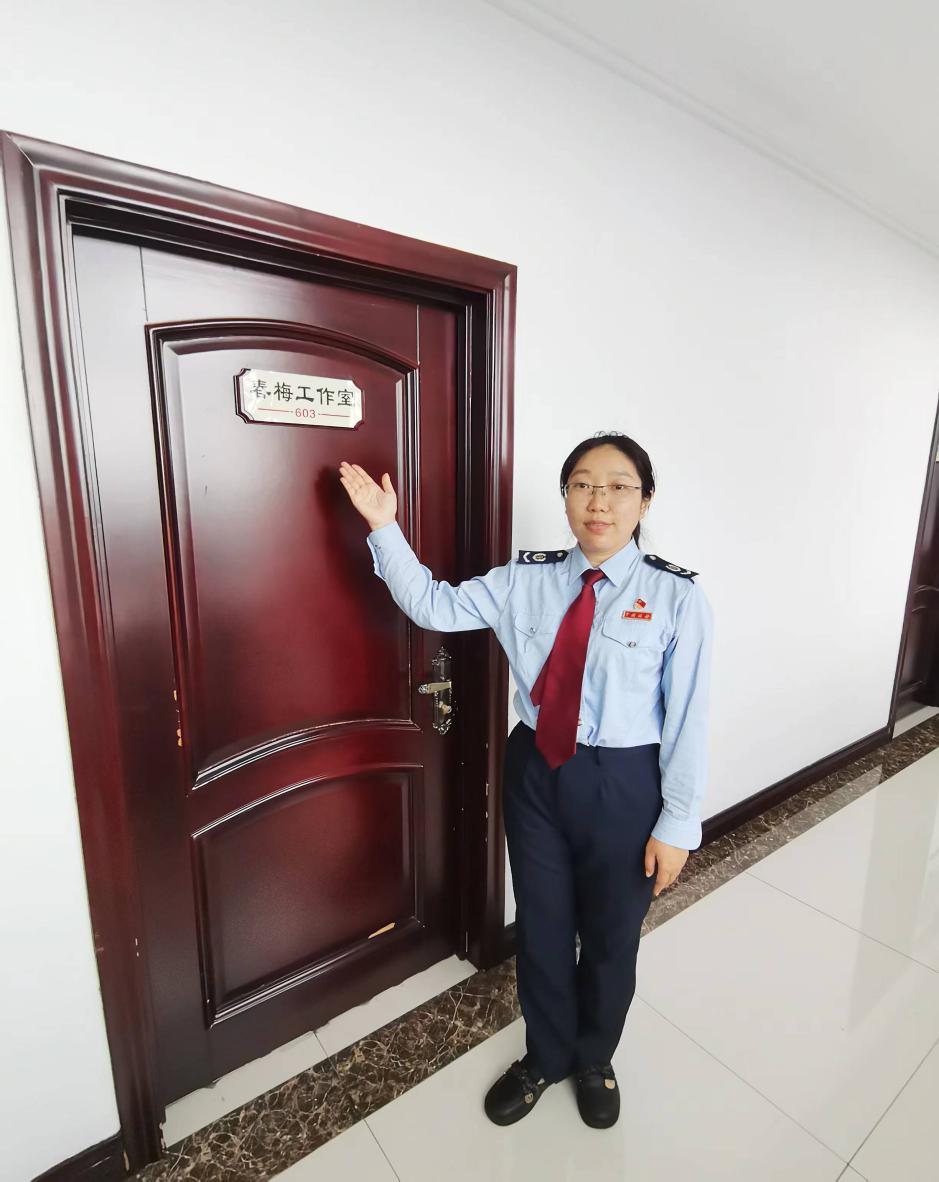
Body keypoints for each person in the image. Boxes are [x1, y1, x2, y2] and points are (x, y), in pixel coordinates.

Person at [337, 430, 713, 1131]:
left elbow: (688, 716)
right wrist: (385, 529)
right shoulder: (523, 580)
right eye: (583, 485)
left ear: (644, 501)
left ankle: (594, 1059)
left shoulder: (675, 597)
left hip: (624, 779)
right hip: (536, 769)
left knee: (611, 934)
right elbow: (435, 606)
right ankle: (545, 1055)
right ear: (566, 497)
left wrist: (676, 823)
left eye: (618, 487)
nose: (598, 501)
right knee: (542, 926)